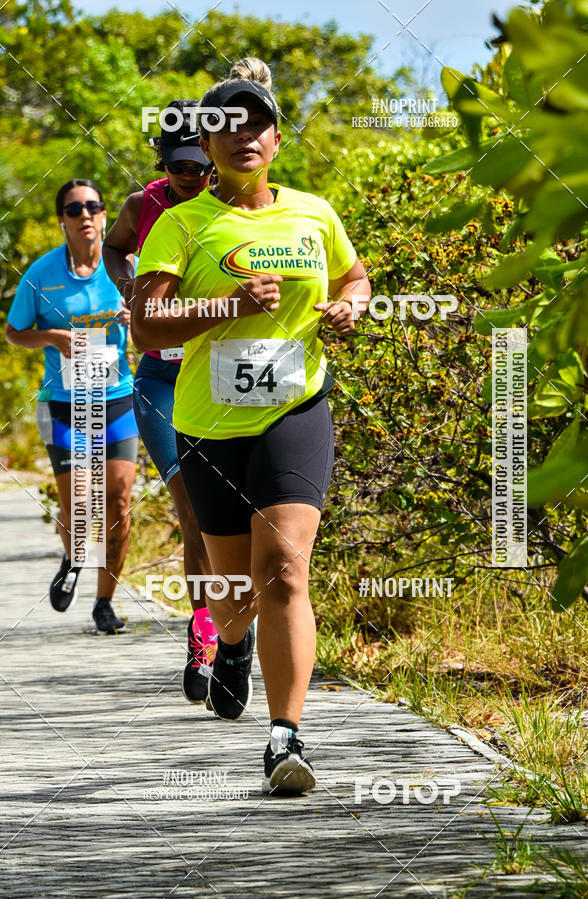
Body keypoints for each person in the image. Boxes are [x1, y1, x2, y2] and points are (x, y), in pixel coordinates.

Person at [131, 58, 370, 795]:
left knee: (287, 573)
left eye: (257, 122)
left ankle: (285, 737)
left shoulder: (313, 213)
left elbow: (353, 276)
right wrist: (227, 307)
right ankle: (229, 644)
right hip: (208, 424)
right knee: (235, 590)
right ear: (205, 140)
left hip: (296, 410)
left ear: (276, 138)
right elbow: (145, 326)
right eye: (225, 124)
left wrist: (352, 304)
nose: (243, 135)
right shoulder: (180, 223)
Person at [103, 101, 218, 704]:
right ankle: (204, 642)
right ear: (161, 161)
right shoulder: (143, 205)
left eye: (199, 167)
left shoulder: (234, 205)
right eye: (178, 168)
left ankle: (238, 635)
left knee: (235, 519)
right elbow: (117, 248)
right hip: (159, 379)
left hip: (221, 379)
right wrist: (131, 282)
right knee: (192, 511)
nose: (189, 178)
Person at [6, 179, 138, 635]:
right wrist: (52, 337)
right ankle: (74, 554)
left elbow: (161, 319)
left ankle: (105, 602)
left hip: (118, 399)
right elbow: (14, 332)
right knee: (79, 501)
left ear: (105, 216)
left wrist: (136, 315)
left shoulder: (127, 266)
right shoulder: (41, 275)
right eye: (74, 208)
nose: (85, 215)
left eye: (94, 206)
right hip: (63, 403)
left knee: (118, 501)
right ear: (61, 219)